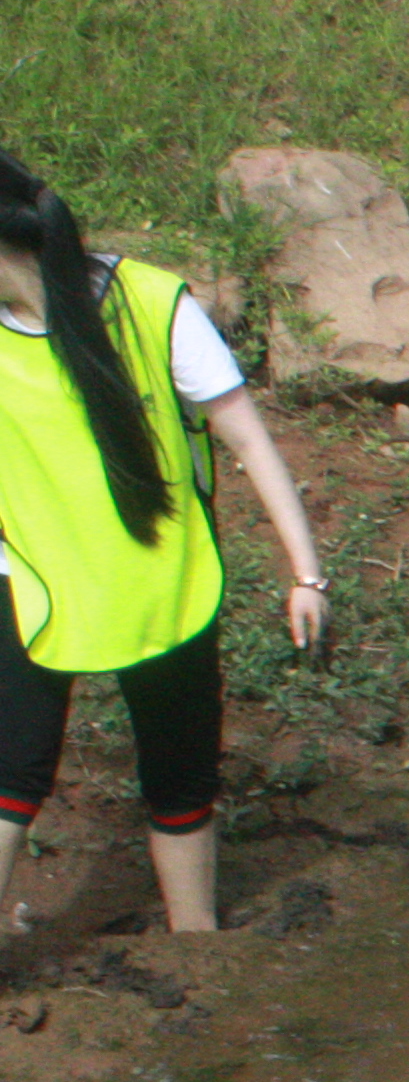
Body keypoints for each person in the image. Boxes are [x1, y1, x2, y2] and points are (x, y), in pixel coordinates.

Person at [0, 153, 328, 943]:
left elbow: (245, 439)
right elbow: (249, 440)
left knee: (18, 774)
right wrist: (306, 575)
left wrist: (306, 575)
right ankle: (198, 943)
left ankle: (196, 946)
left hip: (89, 581)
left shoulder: (150, 306)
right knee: (168, 777)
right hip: (116, 577)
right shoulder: (156, 301)